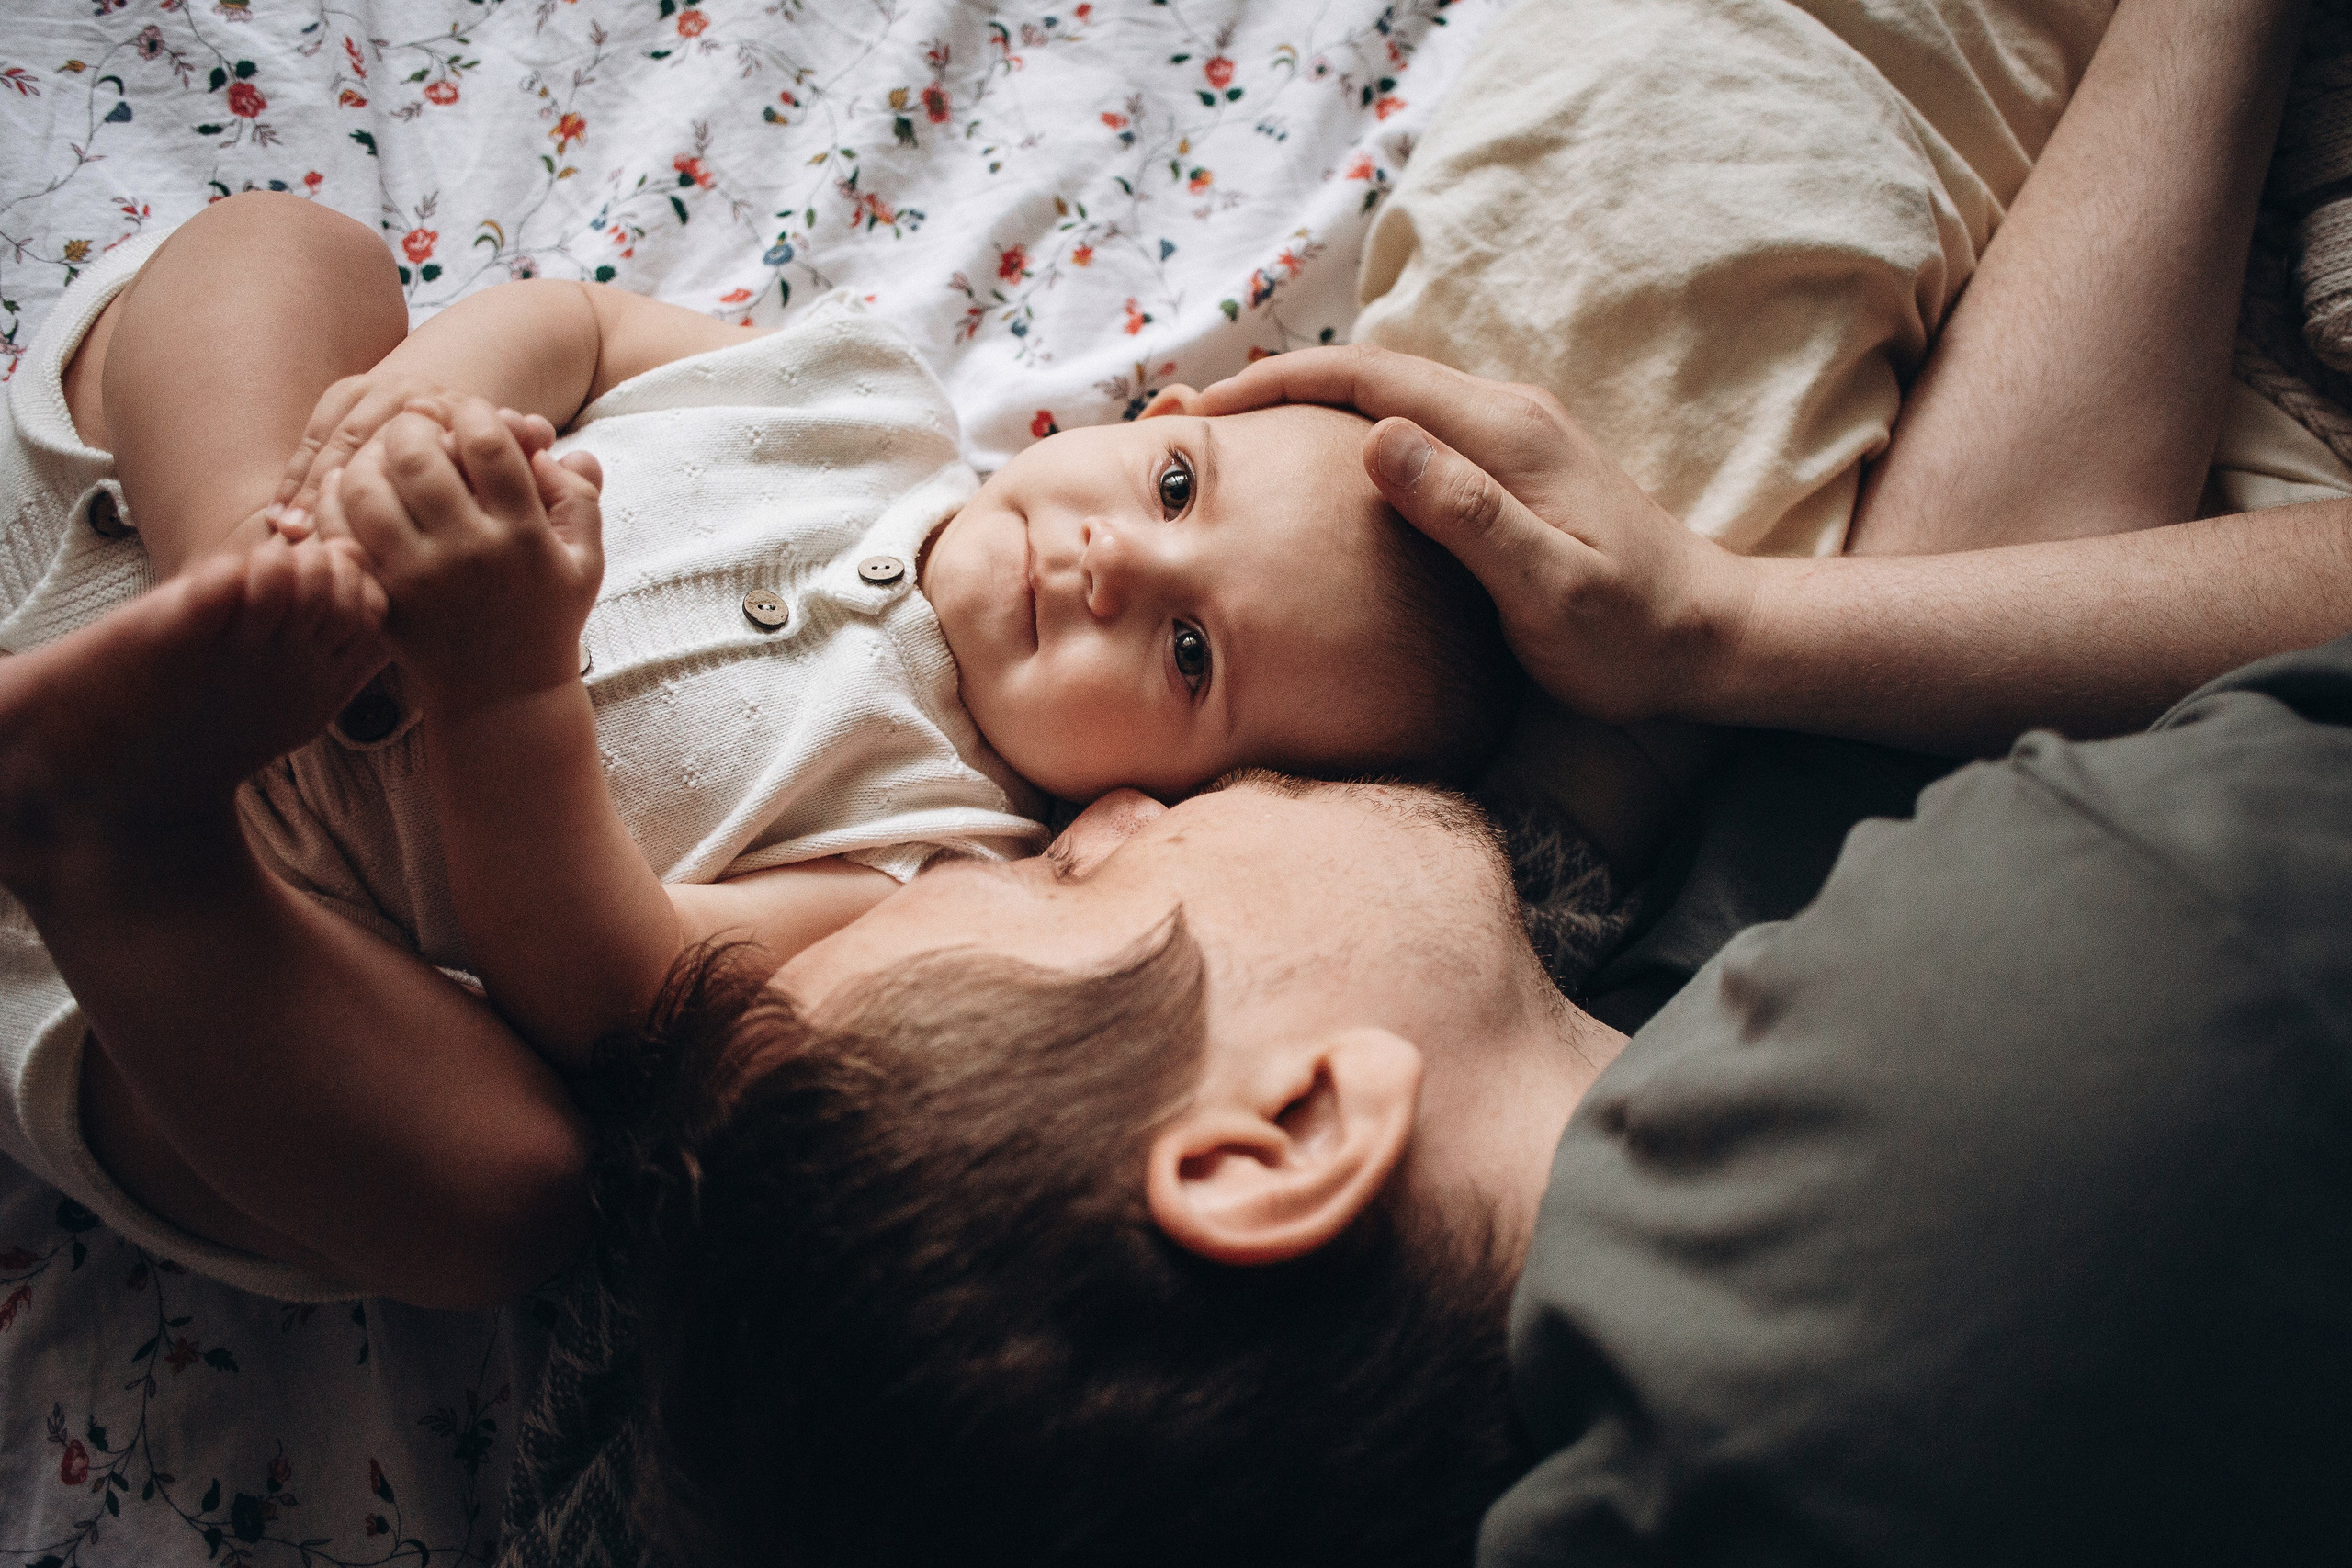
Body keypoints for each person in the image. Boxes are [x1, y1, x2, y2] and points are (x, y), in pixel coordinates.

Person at [546, 2, 2352, 1562]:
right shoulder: (2089, 1047)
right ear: (1281, 1137)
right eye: (1070, 883)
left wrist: (1735, 631)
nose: (1092, 814)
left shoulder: (1570, 1197)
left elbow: (1947, 652)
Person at [0, 191, 1513, 1300]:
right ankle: (242, 590)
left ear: (1173, 797)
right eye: (1177, 488)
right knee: (290, 248)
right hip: (143, 500)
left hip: (173, 963)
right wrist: (408, 424)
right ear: (1151, 414)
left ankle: (132, 827)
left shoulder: (940, 869)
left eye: (1190, 654)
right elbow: (580, 324)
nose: (1125, 564)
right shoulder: (866, 393)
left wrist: (502, 682)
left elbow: (615, 991)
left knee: (513, 1203)